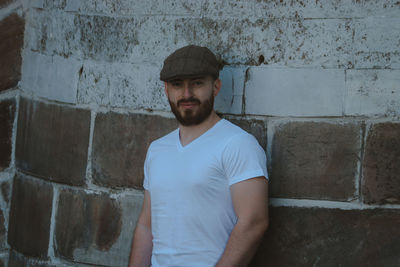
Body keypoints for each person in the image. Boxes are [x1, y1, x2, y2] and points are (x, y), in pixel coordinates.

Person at [129, 45, 269, 267]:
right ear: (166, 89)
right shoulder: (157, 149)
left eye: (196, 83)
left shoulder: (238, 144)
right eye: (177, 85)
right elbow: (146, 226)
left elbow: (254, 222)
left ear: (215, 86)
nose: (186, 94)